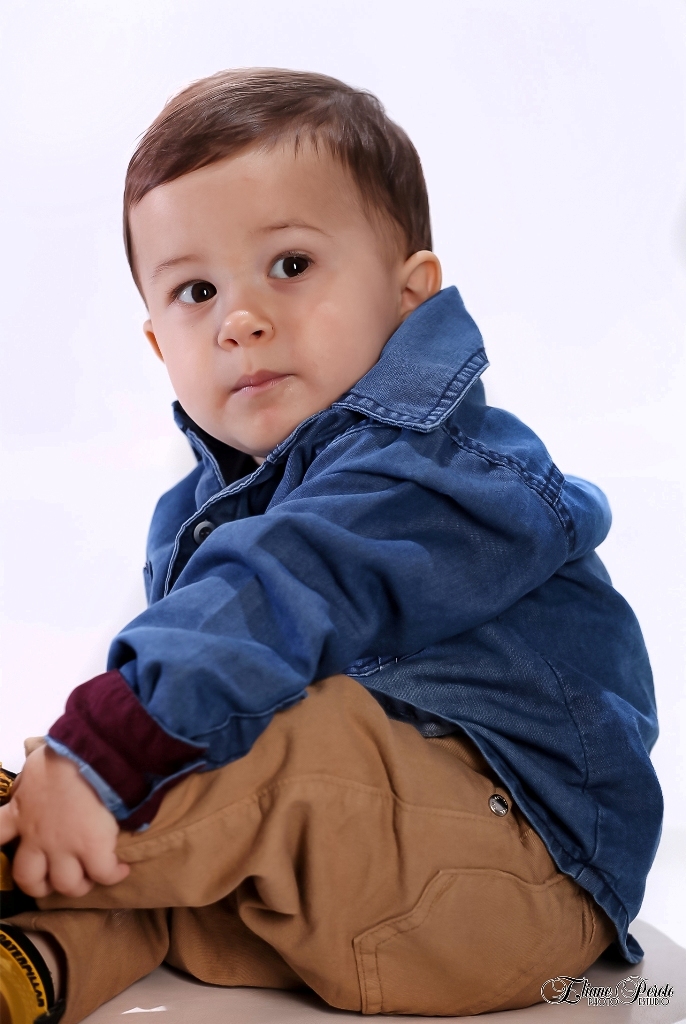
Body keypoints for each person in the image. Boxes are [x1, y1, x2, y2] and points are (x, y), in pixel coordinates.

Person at [0, 68, 661, 1024]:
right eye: (196, 290)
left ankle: (17, 837)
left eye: (291, 265)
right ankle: (37, 963)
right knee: (181, 824)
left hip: (521, 880)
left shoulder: (440, 468)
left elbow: (293, 582)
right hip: (350, 892)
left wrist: (97, 752)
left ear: (410, 294)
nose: (240, 320)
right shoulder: (195, 513)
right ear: (156, 346)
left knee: (278, 736)